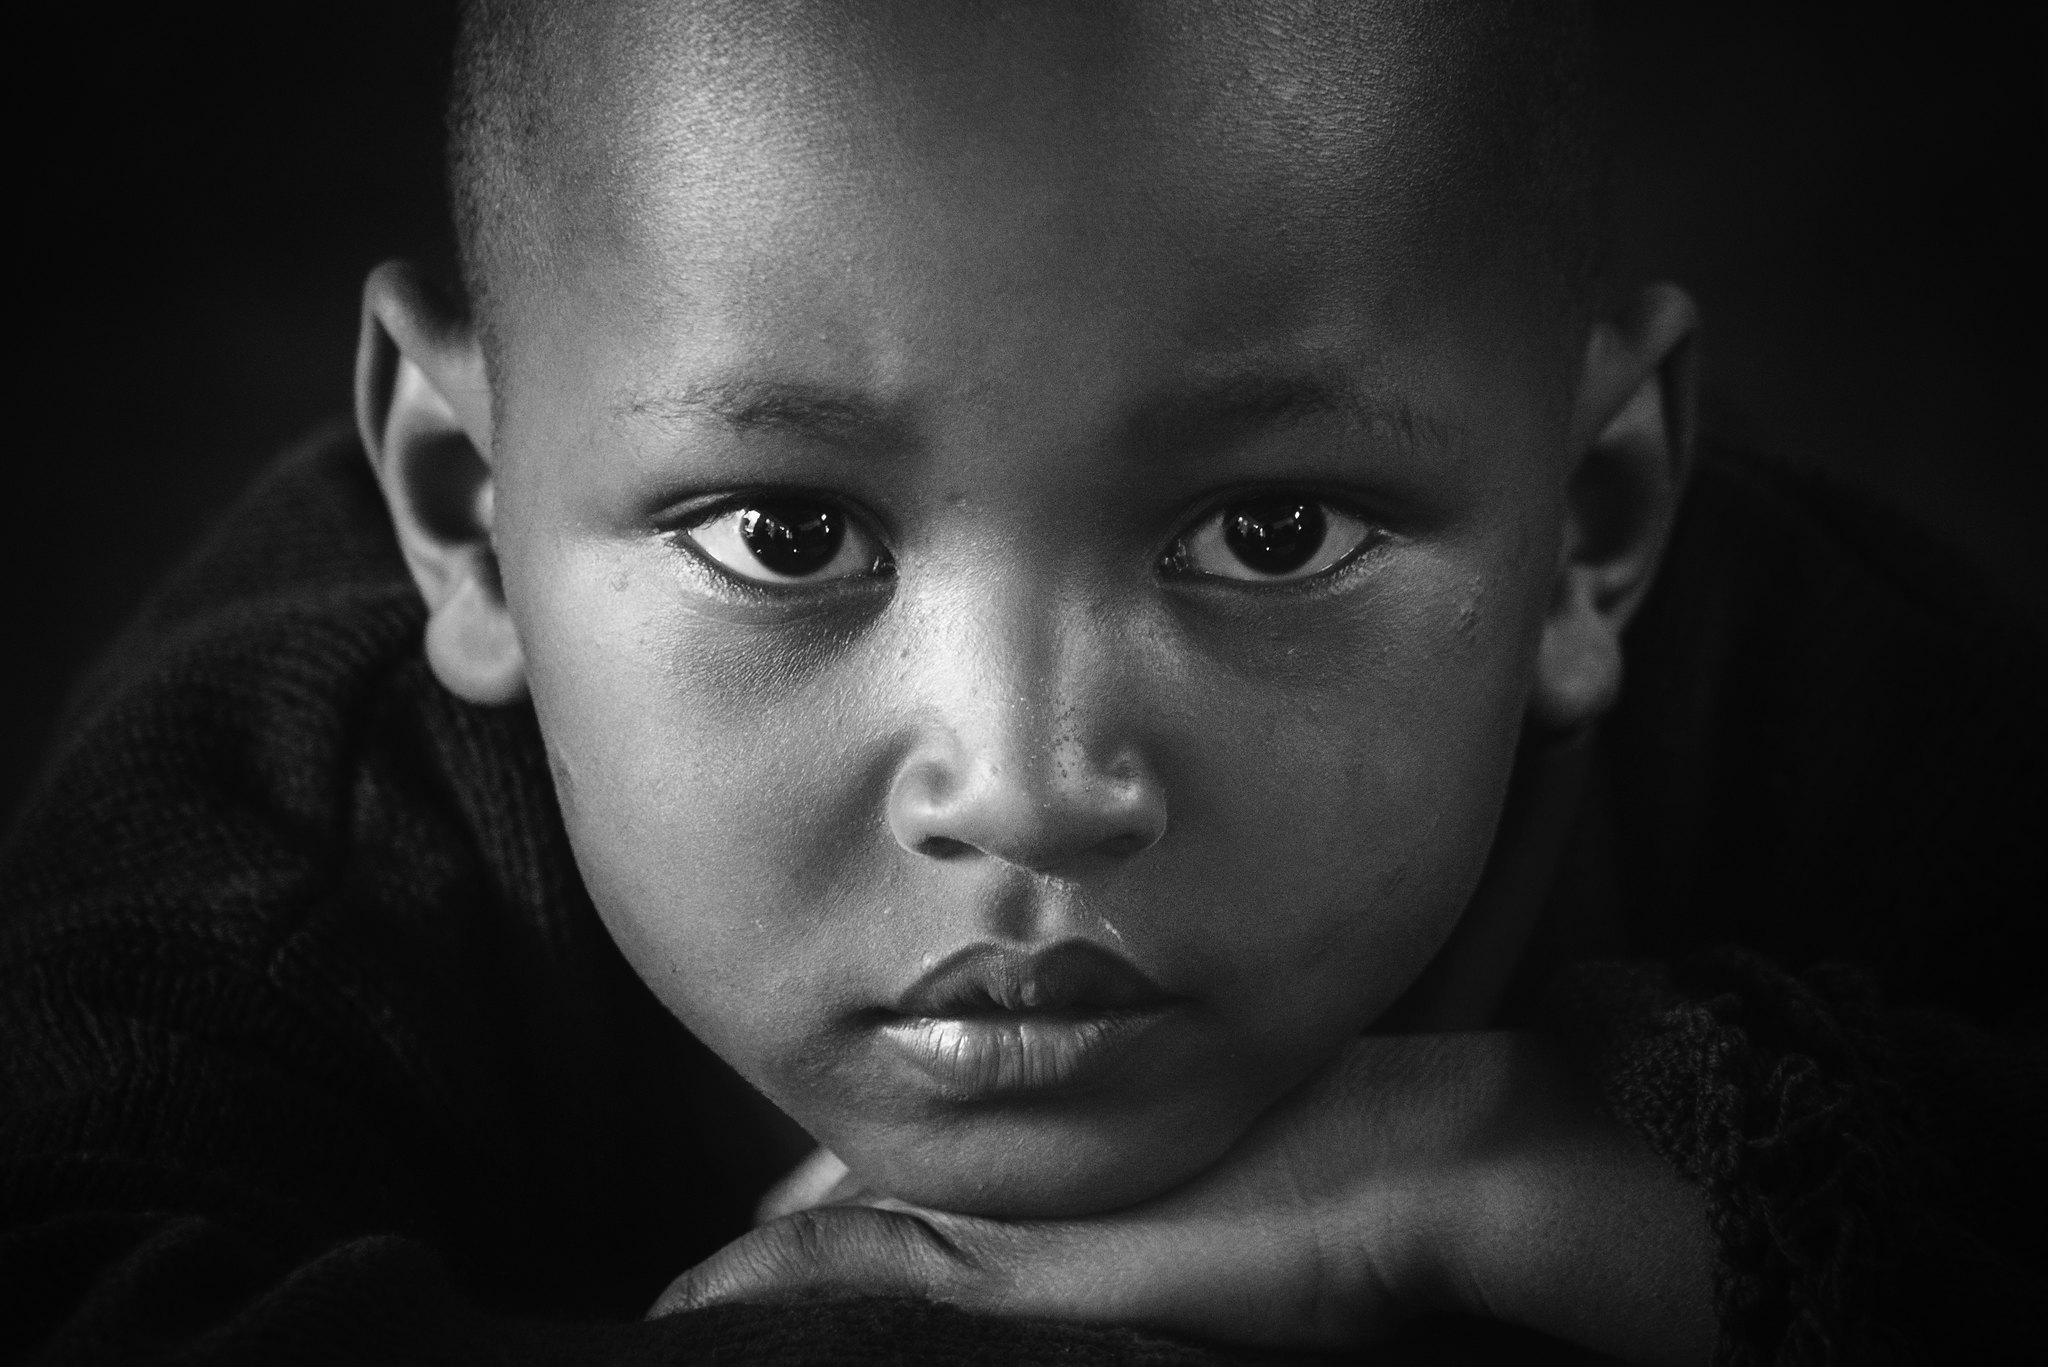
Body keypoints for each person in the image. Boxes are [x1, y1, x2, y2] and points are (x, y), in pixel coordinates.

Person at [2, 2, 2040, 1363]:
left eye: (1269, 534)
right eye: (786, 536)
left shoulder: (1837, 704)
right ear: (461, 510)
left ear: (1591, 524)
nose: (1032, 783)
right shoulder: (267, 850)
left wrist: (1520, 1155)